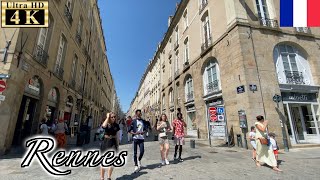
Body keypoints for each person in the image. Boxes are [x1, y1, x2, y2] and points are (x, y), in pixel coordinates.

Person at [100, 112, 120, 180]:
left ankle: (109, 177)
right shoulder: (106, 123)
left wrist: (117, 145)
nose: (114, 118)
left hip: (113, 143)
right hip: (106, 142)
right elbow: (103, 126)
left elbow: (117, 136)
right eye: (112, 117)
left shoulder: (117, 125)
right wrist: (107, 117)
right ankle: (102, 177)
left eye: (114, 117)